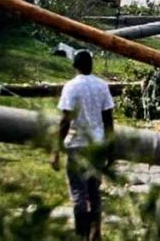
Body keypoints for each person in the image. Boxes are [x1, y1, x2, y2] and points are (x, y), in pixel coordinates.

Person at [52, 50, 114, 241]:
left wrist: (55, 150)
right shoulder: (102, 86)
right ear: (91, 65)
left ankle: (81, 235)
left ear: (74, 66)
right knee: (94, 192)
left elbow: (65, 121)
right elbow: (108, 121)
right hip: (96, 145)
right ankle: (95, 232)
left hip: (76, 145)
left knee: (79, 193)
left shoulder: (71, 87)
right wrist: (110, 149)